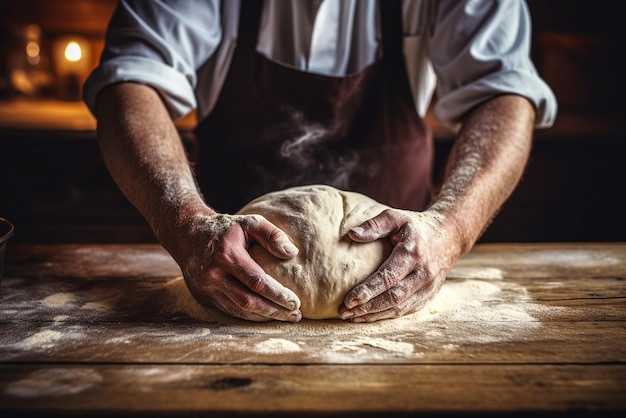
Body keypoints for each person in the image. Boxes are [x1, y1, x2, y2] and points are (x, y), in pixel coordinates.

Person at [83, 0, 557, 323]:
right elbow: (131, 81)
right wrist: (188, 225)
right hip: (223, 261)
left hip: (400, 253)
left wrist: (449, 230)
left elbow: (505, 93)